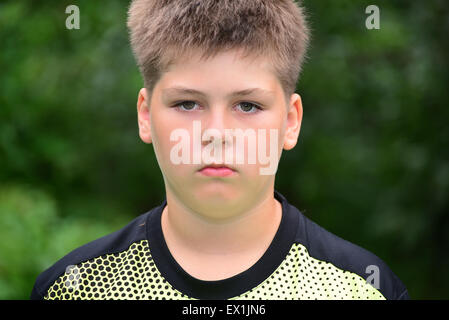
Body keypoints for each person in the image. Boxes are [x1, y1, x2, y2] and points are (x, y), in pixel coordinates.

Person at [30, 0, 409, 300]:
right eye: (187, 104)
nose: (216, 133)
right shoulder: (76, 288)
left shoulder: (363, 290)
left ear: (291, 121)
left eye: (247, 106)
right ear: (145, 116)